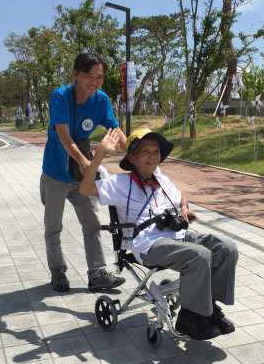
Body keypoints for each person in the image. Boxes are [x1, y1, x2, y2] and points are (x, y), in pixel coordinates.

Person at [79, 128, 238, 341]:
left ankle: (209, 308)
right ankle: (189, 317)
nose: (152, 155)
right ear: (132, 157)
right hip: (148, 244)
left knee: (226, 248)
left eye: (156, 151)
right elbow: (85, 189)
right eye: (145, 150)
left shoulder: (162, 181)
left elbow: (181, 195)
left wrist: (184, 207)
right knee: (199, 255)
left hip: (177, 237)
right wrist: (100, 152)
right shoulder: (119, 183)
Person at [40, 53, 127, 293]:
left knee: (92, 223)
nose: (94, 82)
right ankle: (58, 270)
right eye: (89, 76)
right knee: (53, 226)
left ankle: (97, 274)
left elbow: (115, 131)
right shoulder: (60, 96)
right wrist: (82, 161)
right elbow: (63, 135)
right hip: (56, 173)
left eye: (99, 77)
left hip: (82, 177)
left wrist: (135, 155)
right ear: (75, 74)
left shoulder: (101, 100)